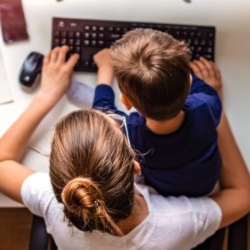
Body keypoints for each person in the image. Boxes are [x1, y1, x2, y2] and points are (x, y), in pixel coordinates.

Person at [0, 46, 249, 250]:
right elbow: (243, 195)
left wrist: (47, 95)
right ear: (135, 167)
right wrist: (213, 107)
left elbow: (2, 163)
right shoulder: (177, 223)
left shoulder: (54, 203)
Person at [93, 29, 223, 197]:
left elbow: (101, 115)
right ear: (190, 83)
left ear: (125, 102)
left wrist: (104, 72)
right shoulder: (207, 104)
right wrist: (207, 86)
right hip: (205, 185)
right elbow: (200, 88)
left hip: (162, 190)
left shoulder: (129, 133)